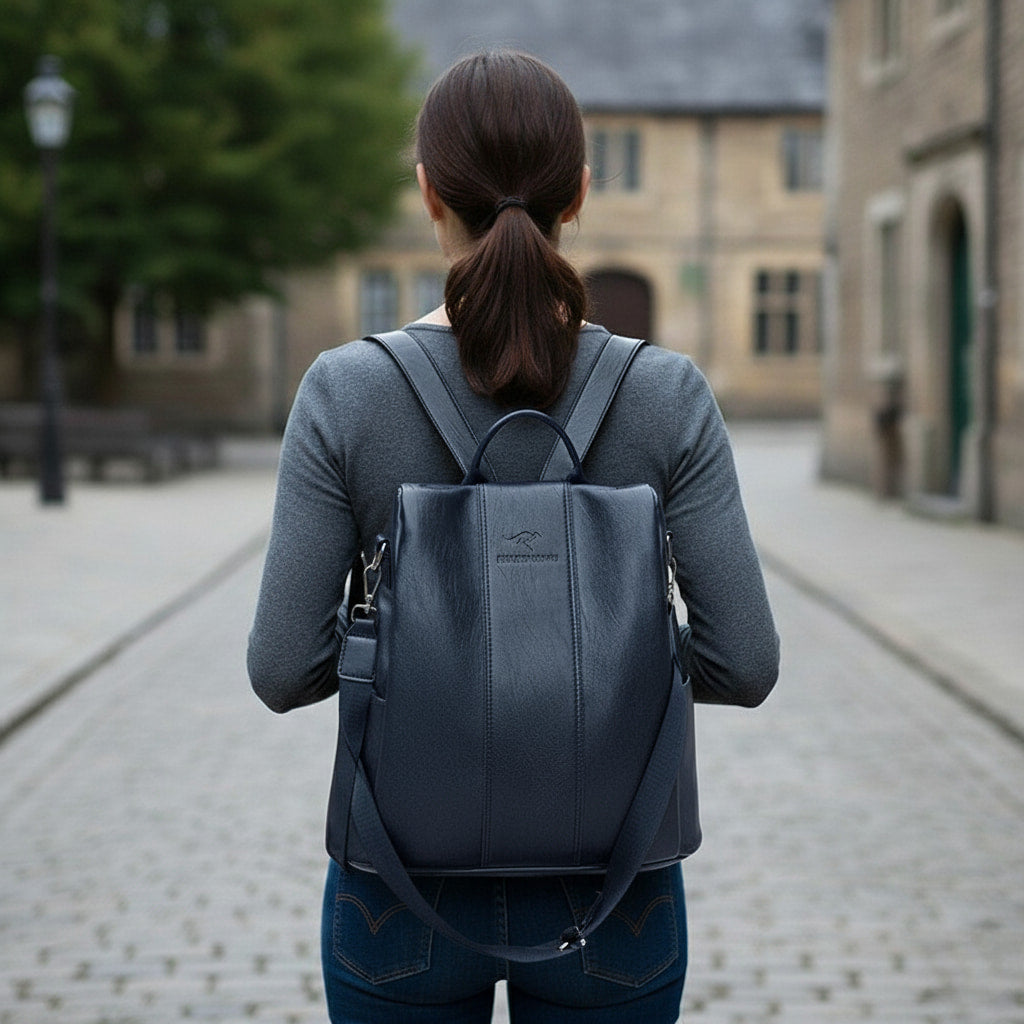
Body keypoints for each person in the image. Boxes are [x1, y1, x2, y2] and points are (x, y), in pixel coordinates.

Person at [248, 49, 779, 1024]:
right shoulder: (665, 395)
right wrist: (597, 658)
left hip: (401, 893)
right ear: (578, 193)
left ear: (425, 193)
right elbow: (743, 661)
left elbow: (283, 666)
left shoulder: (346, 391)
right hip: (612, 894)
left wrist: (422, 659)